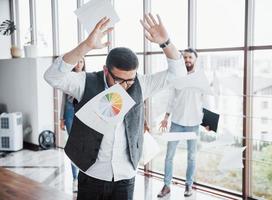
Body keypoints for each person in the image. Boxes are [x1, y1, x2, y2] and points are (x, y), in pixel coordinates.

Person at [44, 14, 186, 200]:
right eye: (119, 80)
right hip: (91, 172)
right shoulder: (85, 82)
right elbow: (52, 76)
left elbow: (179, 73)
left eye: (130, 80)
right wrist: (86, 45)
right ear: (106, 70)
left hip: (125, 174)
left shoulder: (142, 84)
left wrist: (165, 43)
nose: (125, 86)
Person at [157, 48, 210, 198]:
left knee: (192, 156)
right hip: (177, 122)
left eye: (190, 57)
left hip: (193, 123)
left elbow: (206, 100)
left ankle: (189, 185)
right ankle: (166, 186)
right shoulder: (178, 76)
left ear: (195, 60)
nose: (187, 60)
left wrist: (208, 122)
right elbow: (172, 98)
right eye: (185, 57)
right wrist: (166, 117)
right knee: (169, 155)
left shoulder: (201, 78)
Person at [59, 57, 85, 191]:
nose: (79, 64)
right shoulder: (68, 77)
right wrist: (61, 118)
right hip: (69, 110)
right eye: (77, 61)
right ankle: (75, 178)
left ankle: (82, 177)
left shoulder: (88, 77)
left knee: (82, 145)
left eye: (81, 62)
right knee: (73, 144)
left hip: (82, 110)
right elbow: (63, 98)